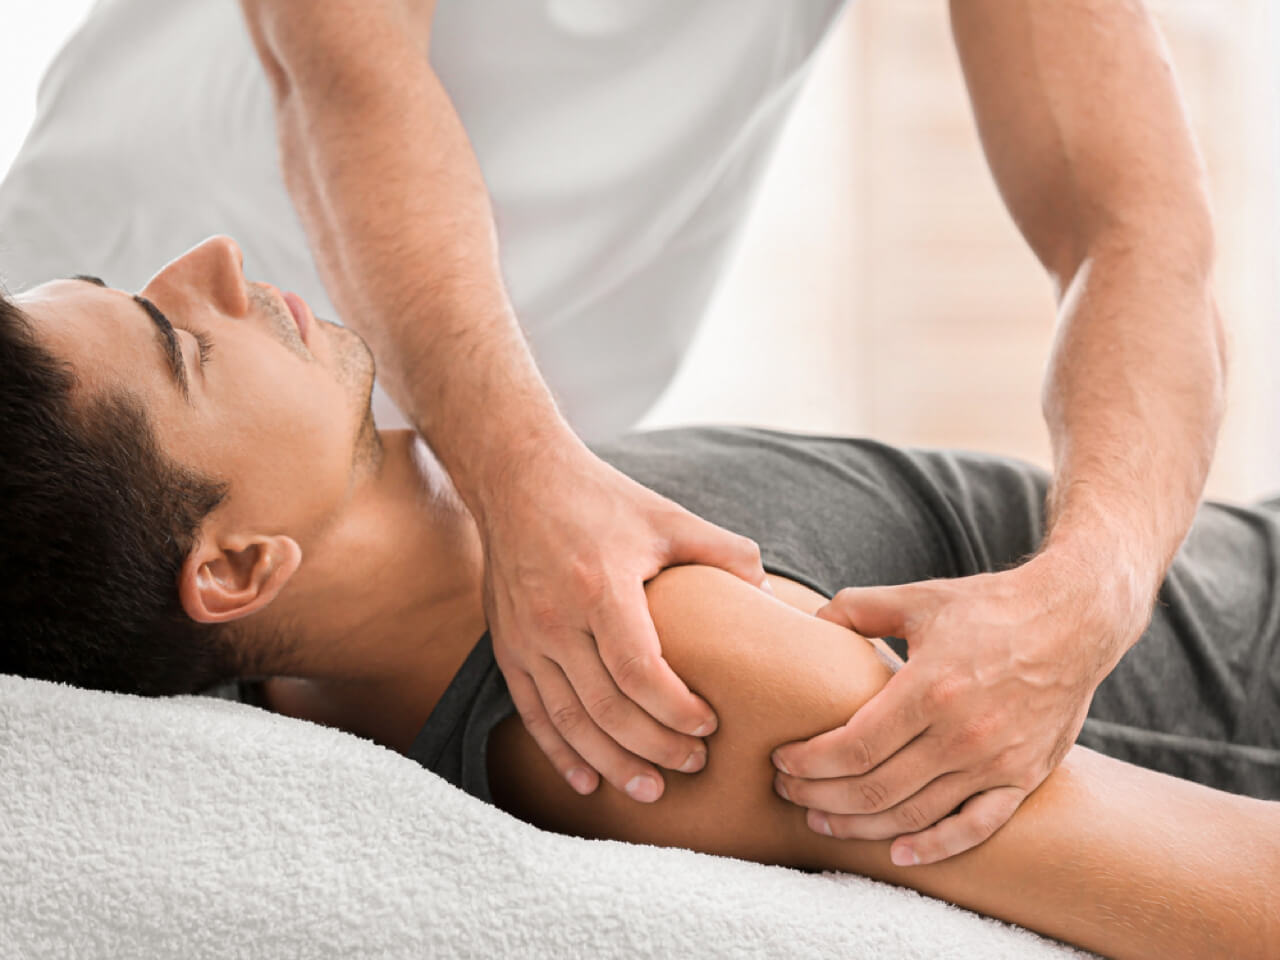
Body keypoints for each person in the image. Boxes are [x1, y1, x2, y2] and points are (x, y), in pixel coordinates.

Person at [0, 0, 1226, 866]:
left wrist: (1092, 587)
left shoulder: (668, 634)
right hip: (132, 417)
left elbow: (1137, 232)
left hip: (427, 472)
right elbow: (346, 81)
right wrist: (516, 473)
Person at [1, 236, 1275, 959]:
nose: (212, 259)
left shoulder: (467, 523)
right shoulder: (650, 681)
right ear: (232, 569)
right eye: (181, 344)